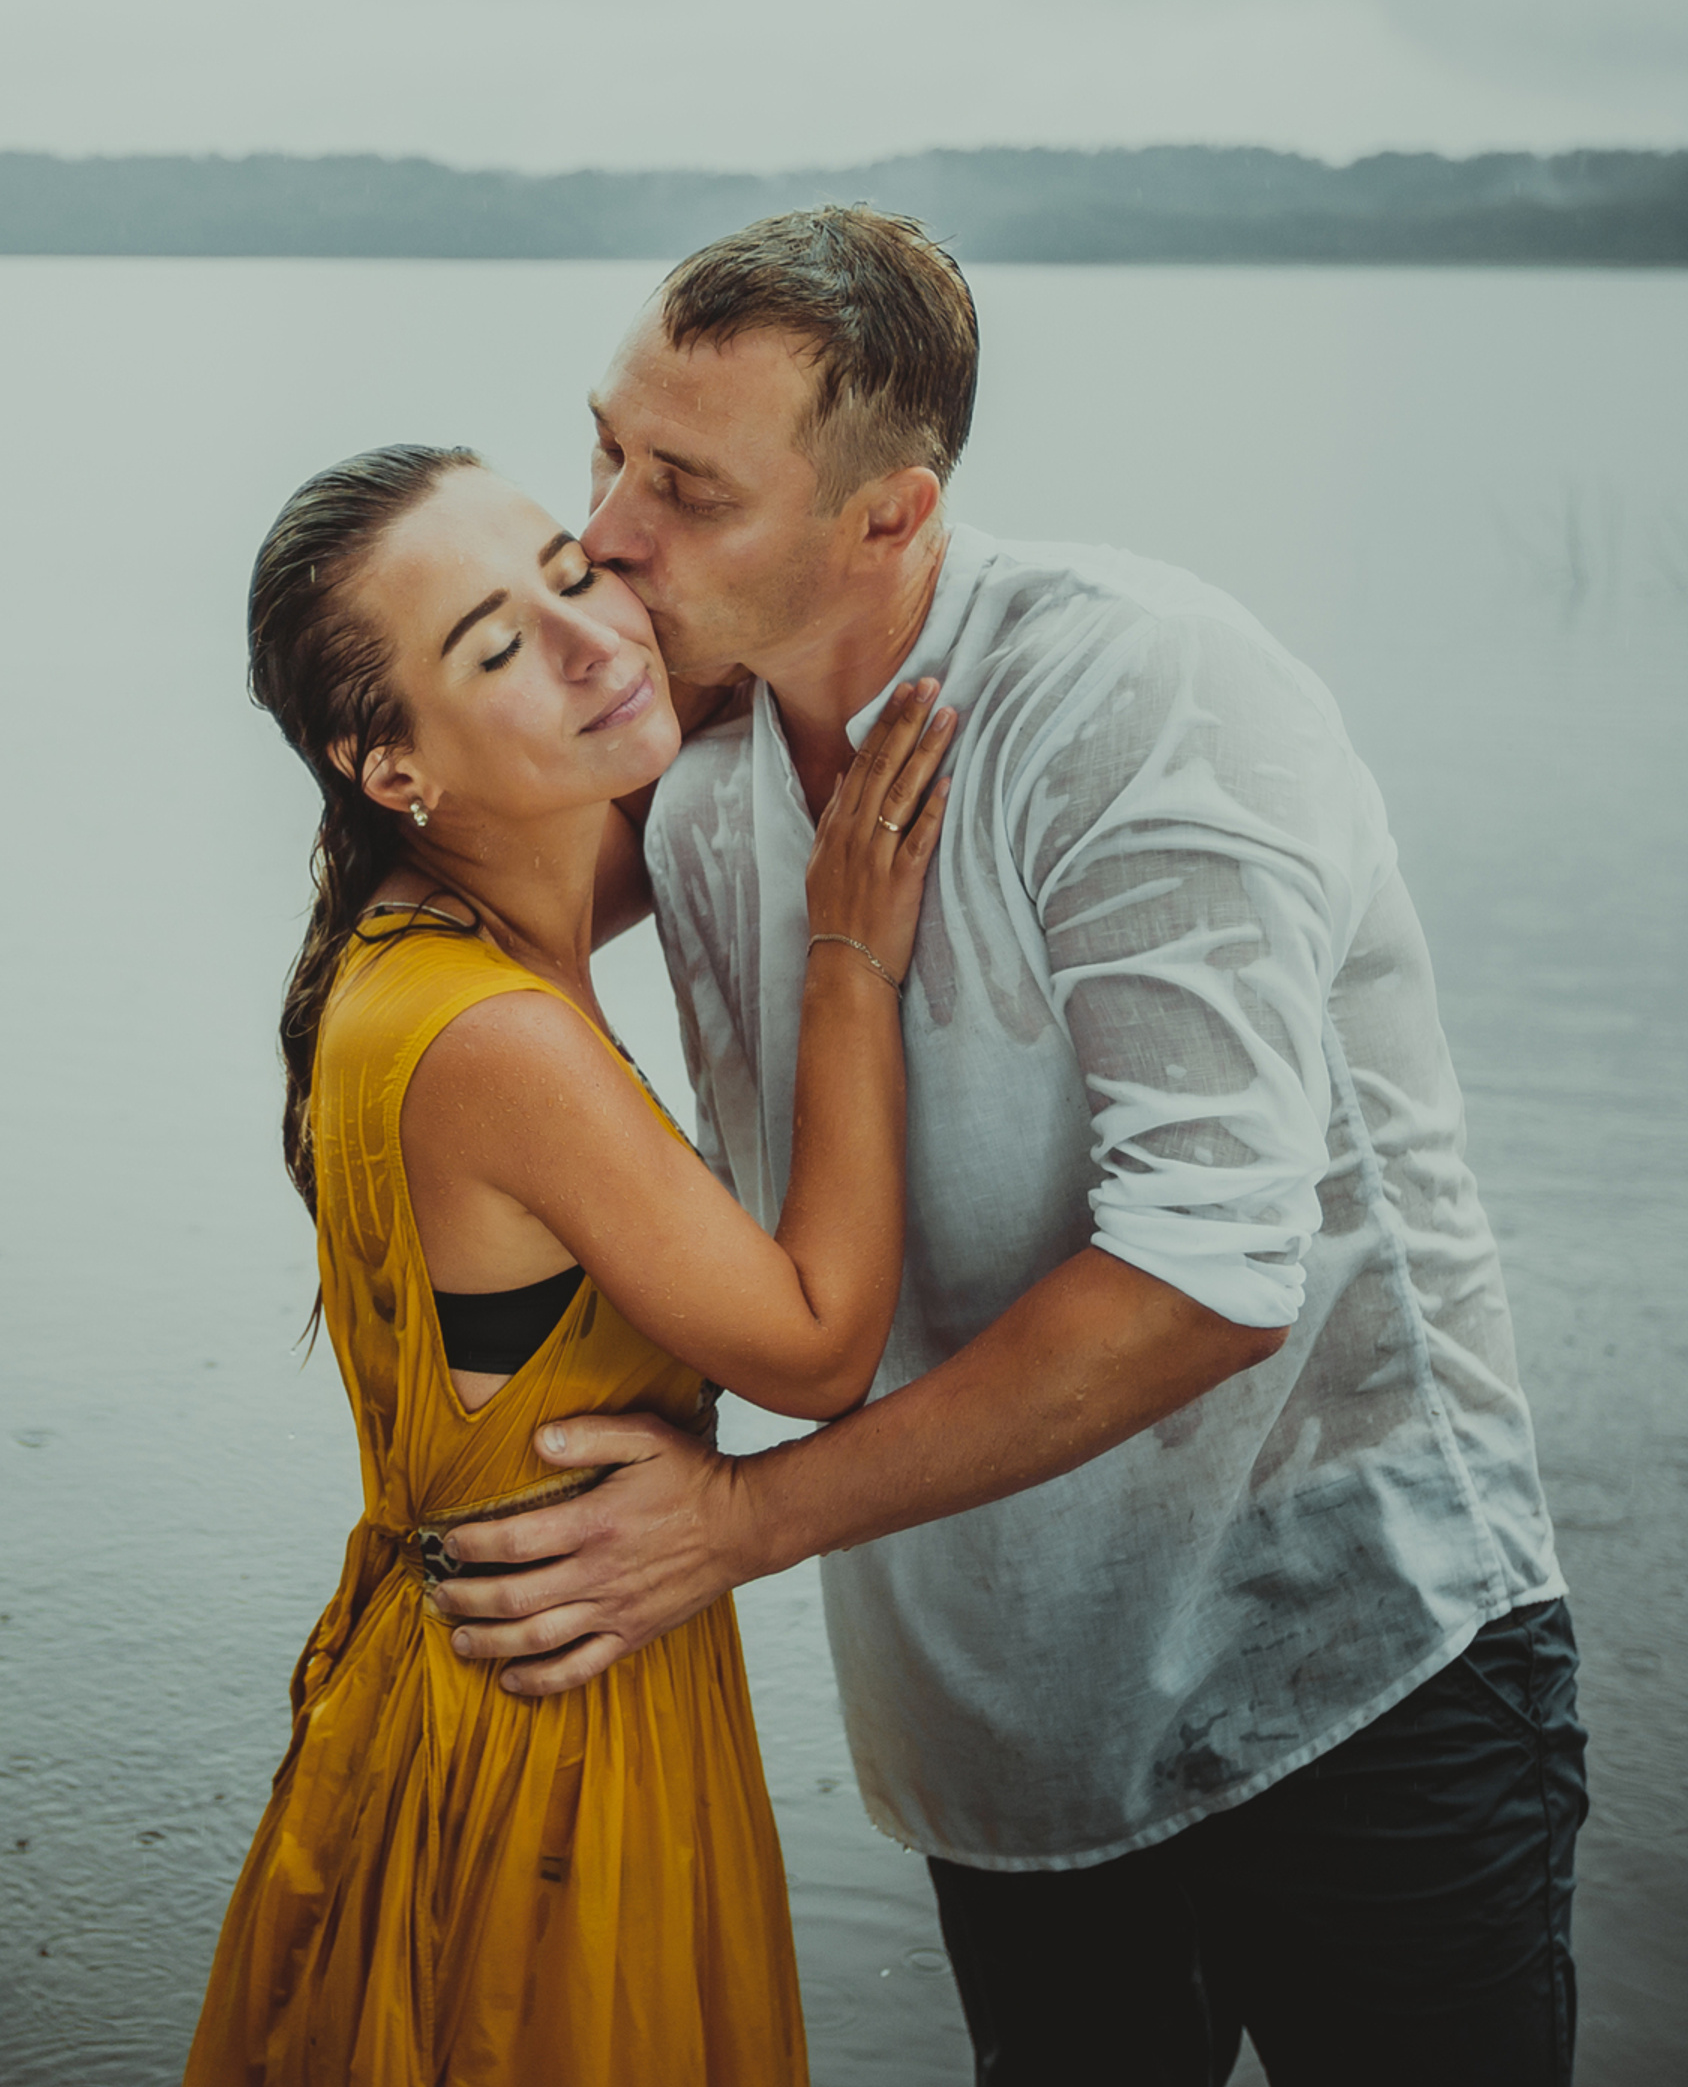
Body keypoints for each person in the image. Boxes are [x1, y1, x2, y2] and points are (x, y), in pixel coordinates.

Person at [427, 206, 1589, 2085]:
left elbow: (1214, 1274)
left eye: (689, 489)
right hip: (1000, 1723)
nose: (611, 533)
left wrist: (732, 1529)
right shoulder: (696, 759)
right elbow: (459, 915)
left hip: (1348, 1670)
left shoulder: (1142, 701)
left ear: (889, 517)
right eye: (607, 450)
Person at [184, 444, 955, 2085]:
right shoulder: (494, 1042)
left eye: (571, 568)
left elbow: (699, 756)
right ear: (389, 761)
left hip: (475, 1680)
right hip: (549, 1737)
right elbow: (815, 1350)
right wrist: (849, 961)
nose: (595, 638)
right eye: (495, 644)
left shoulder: (430, 928)